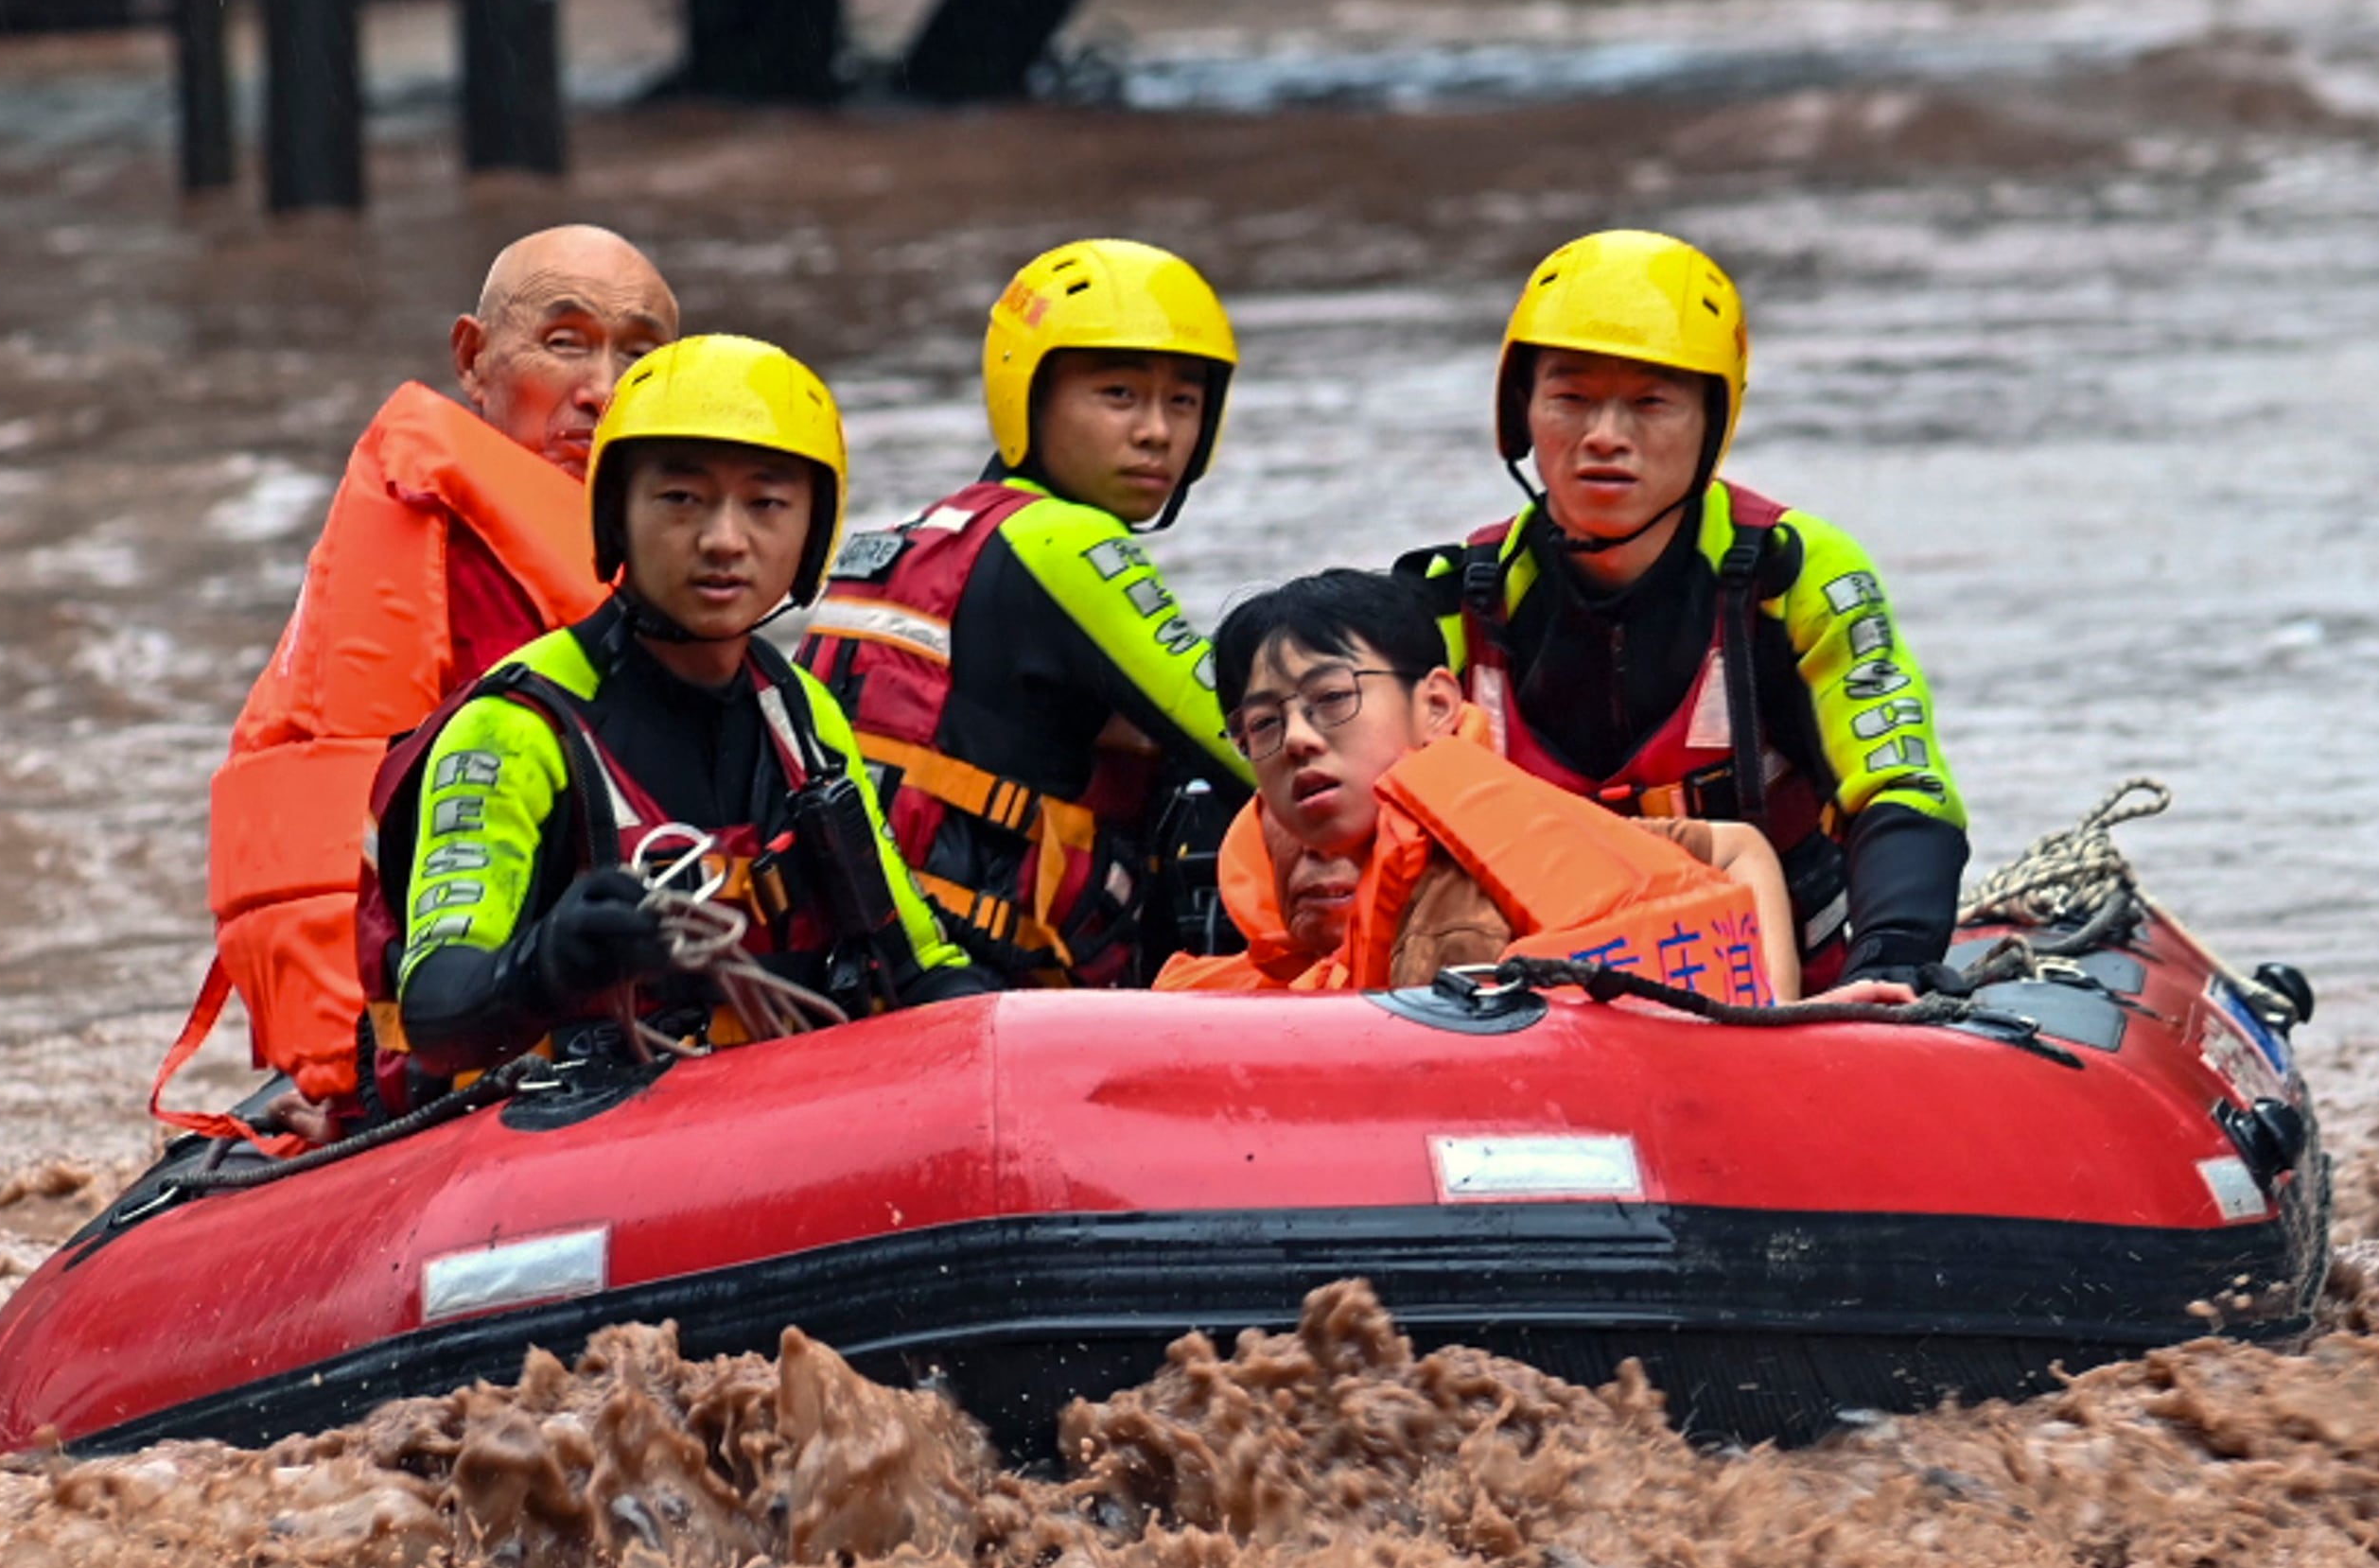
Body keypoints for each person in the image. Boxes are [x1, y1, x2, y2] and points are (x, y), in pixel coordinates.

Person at [378, 335, 991, 1076]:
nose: (724, 540)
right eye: (680, 499)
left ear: (812, 531)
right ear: (616, 518)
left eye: (766, 503)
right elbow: (437, 1018)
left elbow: (921, 964)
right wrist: (549, 961)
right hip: (571, 1133)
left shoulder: (801, 714)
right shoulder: (512, 727)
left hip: (782, 1115)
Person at [168, 229, 679, 1114]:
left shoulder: (678, 557)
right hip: (460, 1032)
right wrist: (356, 1080)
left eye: (639, 355)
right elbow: (353, 827)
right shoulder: (435, 549)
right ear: (473, 360)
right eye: (564, 343)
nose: (602, 391)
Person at [1399, 230, 1971, 993]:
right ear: (1521, 412)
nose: (1605, 437)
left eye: (1650, 402)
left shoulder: (1793, 573)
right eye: (1570, 397)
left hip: (1798, 986)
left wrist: (1893, 962)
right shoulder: (1446, 597)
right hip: (1520, 1001)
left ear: (1712, 423)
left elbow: (1902, 786)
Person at [798, 238, 1253, 985]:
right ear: (1027, 398)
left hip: (855, 971)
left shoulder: (919, 538)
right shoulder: (1064, 542)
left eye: (1184, 400)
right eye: (1119, 395)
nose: (1157, 433)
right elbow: (1251, 743)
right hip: (989, 992)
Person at [1156, 568, 1827, 1003]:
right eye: (1264, 723)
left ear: (1439, 707)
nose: (1298, 737)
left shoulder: (1514, 849)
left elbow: (1737, 849)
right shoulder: (1261, 902)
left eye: (1332, 698)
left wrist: (1776, 1019)